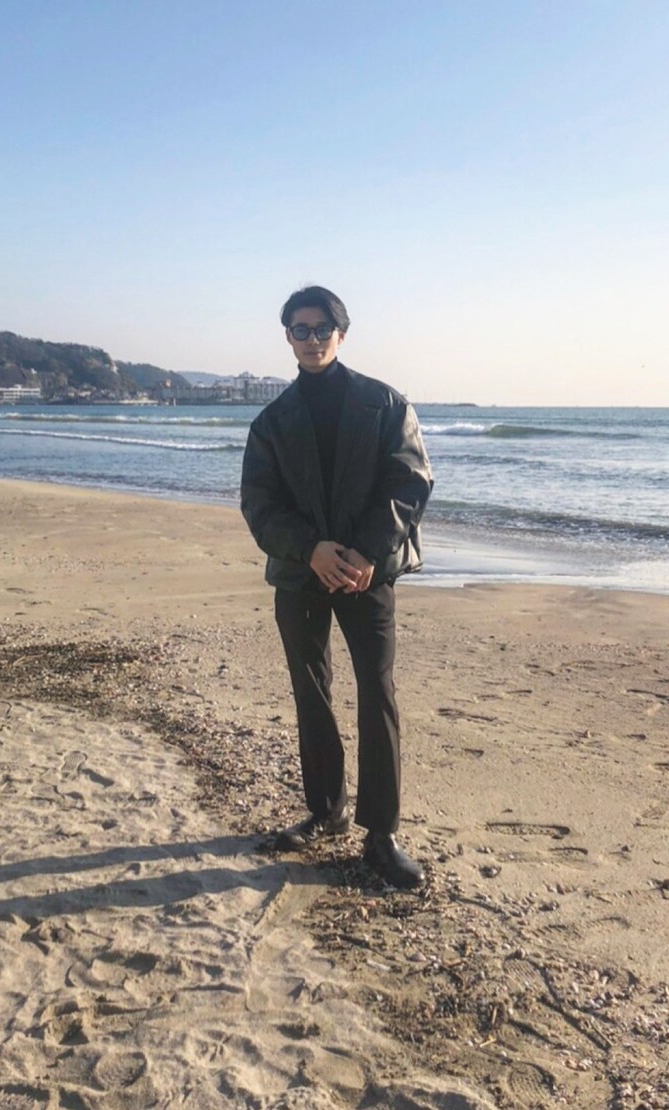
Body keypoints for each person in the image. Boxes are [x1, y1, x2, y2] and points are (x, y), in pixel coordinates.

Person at [241, 286, 433, 889]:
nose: (313, 339)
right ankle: (326, 811)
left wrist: (367, 551)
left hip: (368, 572)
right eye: (301, 329)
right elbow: (259, 505)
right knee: (311, 691)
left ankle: (382, 834)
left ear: (341, 334)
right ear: (288, 338)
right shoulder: (272, 422)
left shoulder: (384, 404)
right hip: (301, 574)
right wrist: (311, 549)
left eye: (322, 328)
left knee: (377, 692)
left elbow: (410, 482)